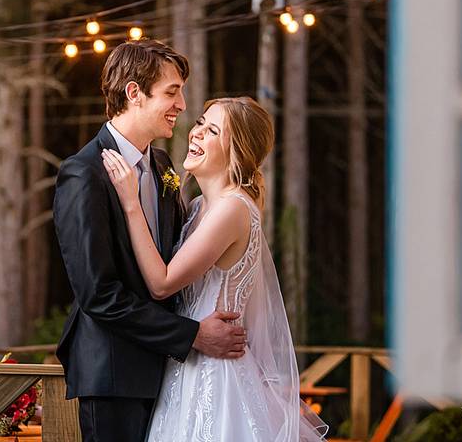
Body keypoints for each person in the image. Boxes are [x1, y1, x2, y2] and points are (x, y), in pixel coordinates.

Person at [101, 96, 329, 441]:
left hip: (218, 378)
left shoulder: (232, 209)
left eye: (212, 131)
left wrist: (131, 203)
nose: (196, 134)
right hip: (186, 369)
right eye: (200, 124)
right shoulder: (196, 208)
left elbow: (162, 284)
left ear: (235, 150)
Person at [53, 40, 247, 442]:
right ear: (134, 93)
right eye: (172, 92)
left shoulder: (161, 165)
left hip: (171, 374)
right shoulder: (83, 174)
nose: (181, 104)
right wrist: (192, 334)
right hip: (114, 374)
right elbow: (99, 295)